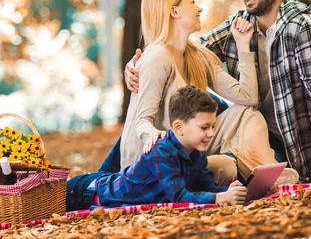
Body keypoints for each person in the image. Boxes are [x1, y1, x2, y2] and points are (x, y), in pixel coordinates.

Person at [125, 0, 311, 181]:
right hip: (170, 150)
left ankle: (258, 173)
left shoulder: (302, 27)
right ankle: (251, 175)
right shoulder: (234, 27)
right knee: (228, 159)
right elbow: (175, 54)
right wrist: (137, 67)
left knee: (245, 118)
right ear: (174, 10)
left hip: (291, 143)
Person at [114, 0, 298, 185]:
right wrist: (152, 135)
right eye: (192, 2)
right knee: (224, 166)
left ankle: (269, 173)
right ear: (174, 11)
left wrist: (243, 46)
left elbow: (247, 97)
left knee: (248, 114)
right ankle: (262, 179)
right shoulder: (157, 57)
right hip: (156, 162)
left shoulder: (198, 56)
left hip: (187, 149)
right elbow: (141, 121)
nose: (199, 8)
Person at [66, 86, 248, 211]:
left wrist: (232, 191)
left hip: (107, 183)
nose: (211, 133)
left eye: (213, 127)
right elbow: (178, 197)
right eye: (204, 127)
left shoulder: (196, 152)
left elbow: (206, 186)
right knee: (43, 204)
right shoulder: (161, 152)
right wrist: (218, 199)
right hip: (86, 192)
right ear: (178, 127)